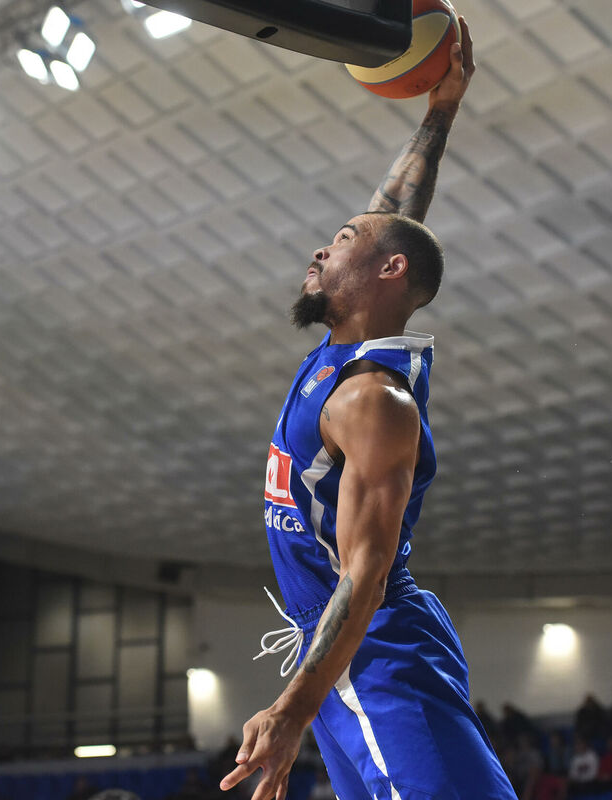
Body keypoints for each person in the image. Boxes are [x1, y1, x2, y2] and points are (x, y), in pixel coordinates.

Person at [220, 20, 513, 800]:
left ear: (387, 272)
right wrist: (440, 110)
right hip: (337, 650)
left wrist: (290, 710)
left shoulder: (372, 400)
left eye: (341, 240)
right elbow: (396, 217)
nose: (321, 250)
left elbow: (368, 573)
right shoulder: (342, 351)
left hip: (377, 648)